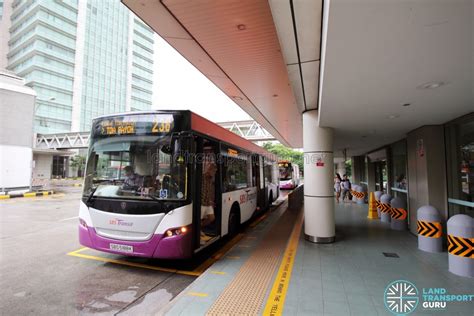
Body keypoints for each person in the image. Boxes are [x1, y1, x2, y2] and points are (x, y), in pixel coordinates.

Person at [201, 162, 217, 237]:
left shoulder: (211, 179)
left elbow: (210, 190)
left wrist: (211, 200)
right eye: (213, 171)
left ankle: (199, 228)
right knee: (199, 219)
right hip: (201, 202)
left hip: (208, 202)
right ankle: (198, 230)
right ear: (209, 169)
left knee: (211, 218)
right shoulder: (202, 177)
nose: (214, 173)